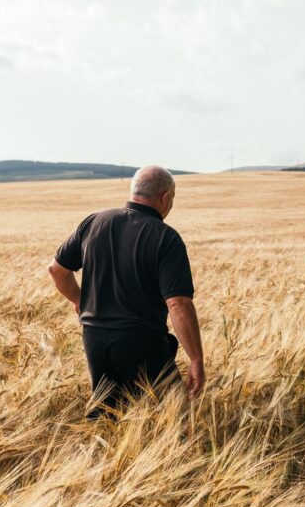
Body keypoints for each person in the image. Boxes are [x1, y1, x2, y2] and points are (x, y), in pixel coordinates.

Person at [48, 165, 206, 417]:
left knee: (106, 414)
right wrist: (196, 359)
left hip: (94, 338)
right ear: (165, 198)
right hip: (141, 339)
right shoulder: (165, 237)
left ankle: (98, 455)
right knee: (174, 415)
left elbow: (57, 271)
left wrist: (81, 302)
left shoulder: (93, 222)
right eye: (172, 199)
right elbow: (178, 303)